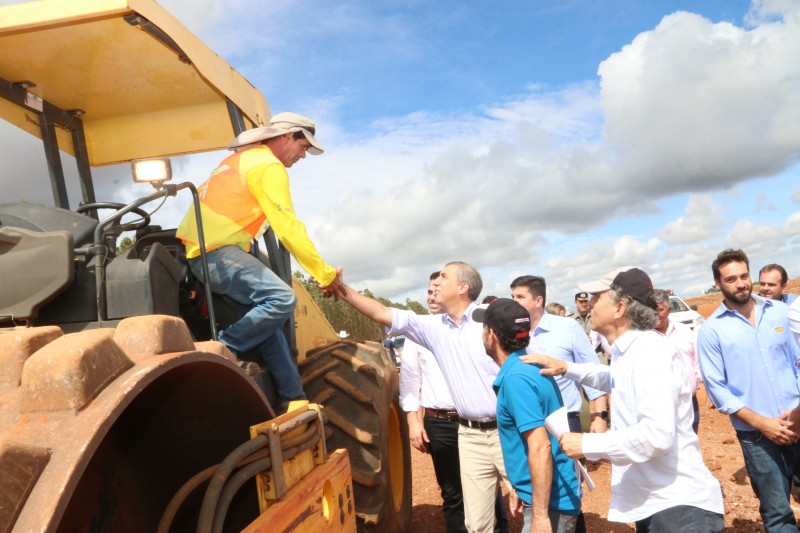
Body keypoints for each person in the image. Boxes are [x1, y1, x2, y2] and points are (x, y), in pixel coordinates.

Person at [527, 267, 724, 532]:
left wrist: (587, 443)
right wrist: (566, 367)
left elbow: (656, 436)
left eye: (597, 298)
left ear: (619, 308)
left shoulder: (649, 353)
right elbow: (613, 377)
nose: (591, 304)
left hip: (679, 510)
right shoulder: (632, 351)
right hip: (660, 504)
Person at [175, 112, 345, 406]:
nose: (304, 156)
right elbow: (288, 228)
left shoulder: (240, 160)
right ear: (287, 136)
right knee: (281, 299)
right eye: (304, 147)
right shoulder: (268, 166)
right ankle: (222, 348)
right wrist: (324, 274)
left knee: (267, 326)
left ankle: (293, 397)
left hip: (202, 252)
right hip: (217, 252)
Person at [335, 261, 509, 533]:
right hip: (467, 433)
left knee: (534, 498)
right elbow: (381, 312)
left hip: (505, 429)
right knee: (475, 515)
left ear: (463, 287)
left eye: (443, 276)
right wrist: (342, 289)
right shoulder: (431, 327)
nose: (436, 283)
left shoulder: (491, 319)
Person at [698, 249, 800, 532]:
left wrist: (798, 412)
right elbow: (717, 389)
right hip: (756, 435)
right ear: (718, 283)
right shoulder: (711, 331)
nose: (741, 283)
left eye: (744, 276)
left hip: (799, 420)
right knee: (777, 511)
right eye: (731, 279)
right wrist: (763, 424)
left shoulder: (782, 313)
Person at [476, 298, 581, 533]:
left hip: (551, 506)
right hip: (549, 496)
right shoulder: (529, 366)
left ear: (491, 334)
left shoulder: (516, 379)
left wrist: (541, 516)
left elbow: (541, 447)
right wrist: (522, 490)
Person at [510, 276, 608, 435]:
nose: (514, 302)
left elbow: (592, 371)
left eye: (520, 297)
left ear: (538, 300)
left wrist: (600, 416)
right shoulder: (511, 332)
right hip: (527, 421)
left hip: (565, 420)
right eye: (512, 297)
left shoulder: (567, 327)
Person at [651, 289, 702, 434]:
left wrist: (706, 387)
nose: (655, 315)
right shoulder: (642, 337)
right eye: (651, 310)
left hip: (689, 403)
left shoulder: (685, 332)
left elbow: (697, 361)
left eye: (659, 310)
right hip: (657, 406)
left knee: (690, 444)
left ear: (669, 310)